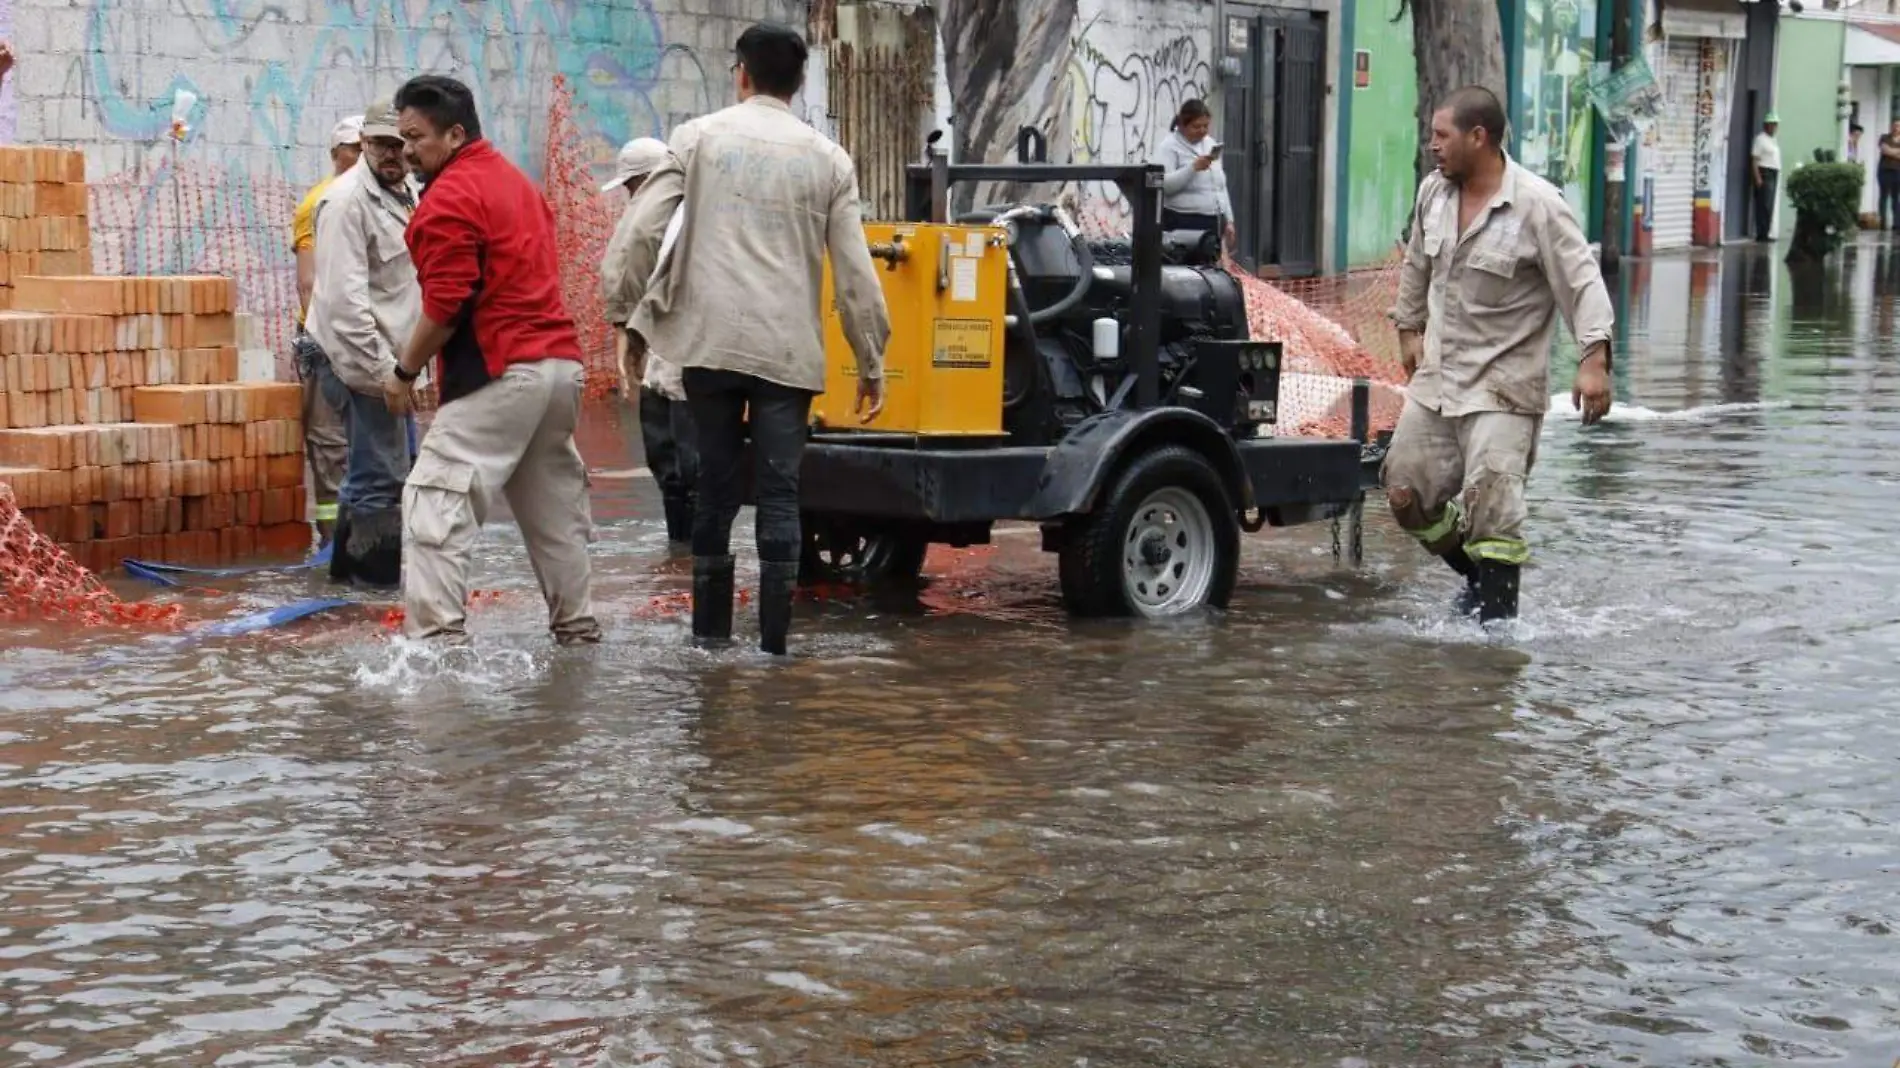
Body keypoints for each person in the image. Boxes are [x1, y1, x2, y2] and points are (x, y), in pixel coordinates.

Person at [604, 21, 891, 655]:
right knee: (782, 493)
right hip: (787, 355)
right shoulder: (829, 159)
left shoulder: (697, 138)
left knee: (714, 482)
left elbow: (640, 232)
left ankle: (709, 643)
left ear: (741, 72)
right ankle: (774, 650)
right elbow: (855, 275)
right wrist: (872, 359)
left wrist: (625, 317)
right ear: (800, 81)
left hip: (708, 345)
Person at [382, 75, 601, 646]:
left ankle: (435, 650)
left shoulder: (449, 199)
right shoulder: (515, 183)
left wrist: (403, 372)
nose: (407, 151)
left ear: (455, 134)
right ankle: (577, 634)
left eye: (416, 137)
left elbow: (447, 305)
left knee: (435, 501)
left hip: (501, 372)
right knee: (555, 515)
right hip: (559, 370)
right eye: (401, 138)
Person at [1385, 85, 1614, 623]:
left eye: (1442, 136)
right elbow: (1417, 263)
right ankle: (1474, 582)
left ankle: (1496, 646)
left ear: (1478, 137)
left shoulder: (1538, 206)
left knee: (1494, 506)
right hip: (1440, 379)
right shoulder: (1432, 195)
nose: (1432, 146)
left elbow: (1582, 284)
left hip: (1504, 387)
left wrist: (1593, 361)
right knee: (1403, 490)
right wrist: (1408, 327)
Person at [305, 100, 422, 589]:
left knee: (381, 470)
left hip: (388, 354)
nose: (392, 153)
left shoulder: (405, 191)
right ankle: (374, 590)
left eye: (400, 143)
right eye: (380, 144)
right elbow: (346, 307)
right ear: (364, 146)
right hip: (354, 354)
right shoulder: (345, 202)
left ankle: (349, 581)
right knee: (383, 476)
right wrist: (386, 376)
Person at [599, 137, 698, 549]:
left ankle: (691, 554)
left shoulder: (659, 216)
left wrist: (625, 325)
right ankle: (686, 553)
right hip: (674, 352)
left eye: (628, 187)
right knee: (671, 457)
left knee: (680, 459)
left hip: (678, 352)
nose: (627, 197)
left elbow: (629, 255)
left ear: (644, 181)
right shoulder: (691, 213)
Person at [289, 116, 361, 546]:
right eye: (353, 146)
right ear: (336, 153)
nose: (359, 154)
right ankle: (335, 540)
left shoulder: (377, 196)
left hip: (367, 341)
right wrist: (323, 340)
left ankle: (370, 538)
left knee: (369, 443)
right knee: (330, 443)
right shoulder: (319, 202)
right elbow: (307, 282)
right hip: (328, 341)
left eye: (364, 145)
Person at [1156, 99, 1236, 253]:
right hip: (1184, 221)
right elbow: (1165, 185)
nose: (1202, 131)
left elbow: (1220, 186)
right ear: (1182, 126)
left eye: (1206, 126)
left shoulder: (1209, 143)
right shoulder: (1169, 146)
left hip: (1213, 220)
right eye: (1196, 127)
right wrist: (1192, 169)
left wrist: (1229, 220)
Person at [1751, 113, 1781, 243]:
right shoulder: (1760, 139)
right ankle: (1761, 233)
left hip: (1774, 172)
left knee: (1770, 204)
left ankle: (1766, 232)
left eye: (1776, 125)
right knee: (1763, 204)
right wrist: (1757, 177)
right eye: (1773, 124)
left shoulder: (1772, 140)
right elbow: (1754, 159)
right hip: (1764, 172)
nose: (1775, 127)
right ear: (1767, 125)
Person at [1877, 119, 1900, 232]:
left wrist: (1891, 151)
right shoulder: (1884, 137)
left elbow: (1889, 151)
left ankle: (1896, 223)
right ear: (1891, 126)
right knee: (1883, 196)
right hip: (1884, 171)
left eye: (1899, 126)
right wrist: (1896, 152)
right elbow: (1885, 151)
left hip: (1898, 171)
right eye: (1895, 125)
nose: (1896, 128)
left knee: (1896, 198)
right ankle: (1883, 223)